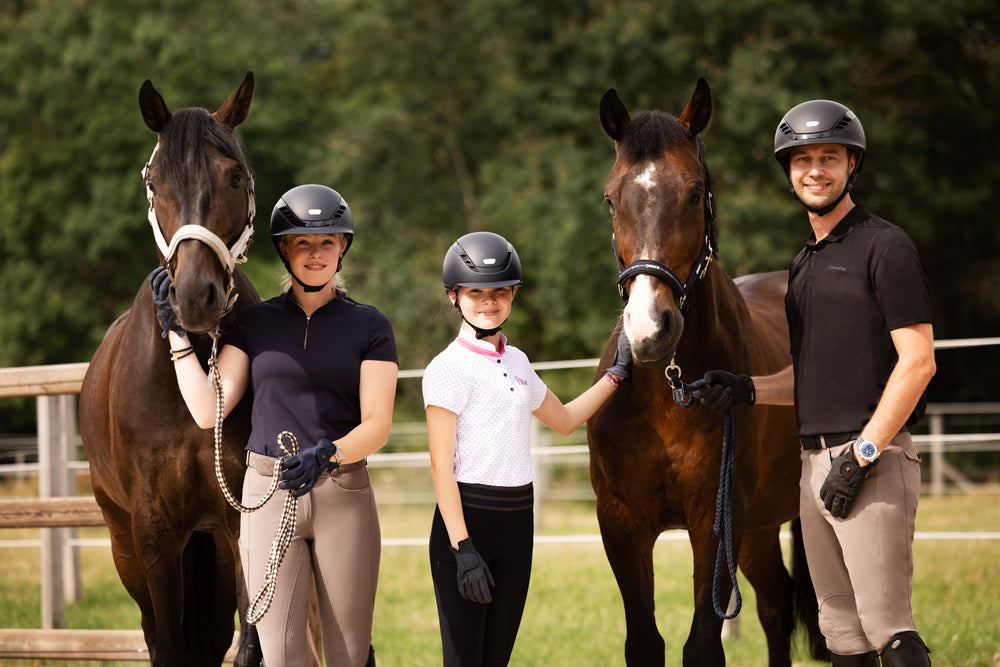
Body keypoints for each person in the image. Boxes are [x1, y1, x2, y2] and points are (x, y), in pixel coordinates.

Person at [693, 101, 936, 666]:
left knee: (888, 630)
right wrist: (749, 387)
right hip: (812, 470)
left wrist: (865, 452)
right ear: (789, 171)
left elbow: (918, 362)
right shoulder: (803, 265)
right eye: (802, 160)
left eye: (829, 157)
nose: (815, 171)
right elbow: (810, 374)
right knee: (841, 635)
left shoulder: (887, 247)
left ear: (852, 165)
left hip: (871, 459)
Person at [150, 184, 398, 667]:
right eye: (302, 243)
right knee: (281, 656)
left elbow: (378, 425)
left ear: (343, 246)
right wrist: (177, 334)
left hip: (341, 491)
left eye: (327, 241)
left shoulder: (370, 326)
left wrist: (327, 454)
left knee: (348, 655)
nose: (315, 253)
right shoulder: (253, 323)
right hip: (268, 493)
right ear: (284, 249)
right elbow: (207, 410)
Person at [421, 231, 631, 666]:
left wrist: (616, 373)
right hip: (468, 526)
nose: (488, 301)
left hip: (518, 523)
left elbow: (566, 420)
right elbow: (441, 467)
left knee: (498, 659)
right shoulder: (447, 368)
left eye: (499, 291)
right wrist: (463, 550)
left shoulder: (516, 361)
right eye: (476, 291)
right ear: (454, 296)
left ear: (513, 293)